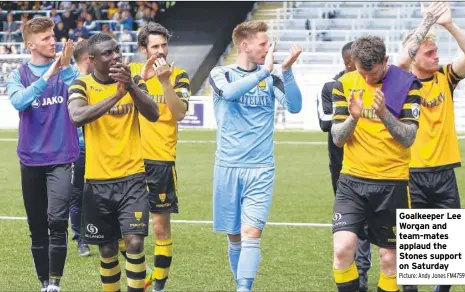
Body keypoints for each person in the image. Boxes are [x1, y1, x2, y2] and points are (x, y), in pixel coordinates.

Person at [208, 20, 303, 292]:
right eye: (263, 44)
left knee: (252, 234)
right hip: (227, 166)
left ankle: (244, 288)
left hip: (261, 168)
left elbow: (294, 106)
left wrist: (286, 71)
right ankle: (240, 283)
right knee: (235, 236)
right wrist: (265, 73)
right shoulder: (221, 73)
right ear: (245, 45)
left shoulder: (271, 78)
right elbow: (228, 94)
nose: (268, 47)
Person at [67, 33, 159, 292]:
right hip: (97, 182)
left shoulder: (134, 80)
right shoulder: (81, 85)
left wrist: (129, 87)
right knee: (107, 250)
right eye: (108, 53)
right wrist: (117, 96)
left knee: (135, 244)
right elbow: (76, 116)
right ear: (92, 60)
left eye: (117, 51)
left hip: (133, 178)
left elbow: (153, 113)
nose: (116, 56)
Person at [398, 2, 465, 292]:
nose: (436, 56)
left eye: (436, 52)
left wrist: (447, 25)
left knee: (449, 251)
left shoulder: (445, 77)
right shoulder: (403, 83)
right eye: (429, 53)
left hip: (445, 173)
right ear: (415, 57)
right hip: (412, 175)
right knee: (414, 252)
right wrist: (425, 26)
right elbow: (400, 62)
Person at [330, 35, 421, 292]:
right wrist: (354, 118)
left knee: (389, 259)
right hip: (352, 182)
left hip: (392, 184)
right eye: (362, 72)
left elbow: (408, 138)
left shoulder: (407, 84)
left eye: (373, 73)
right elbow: (338, 138)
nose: (368, 79)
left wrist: (383, 115)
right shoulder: (344, 84)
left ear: (386, 61)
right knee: (342, 249)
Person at [5, 17, 79, 292]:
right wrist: (49, 74)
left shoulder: (66, 72)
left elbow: (83, 94)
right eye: (46, 38)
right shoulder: (18, 75)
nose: (53, 42)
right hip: (31, 160)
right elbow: (19, 101)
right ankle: (44, 282)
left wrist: (66, 68)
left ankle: (55, 284)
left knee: (57, 220)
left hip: (62, 158)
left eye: (53, 36)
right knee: (36, 225)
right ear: (30, 44)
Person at [127, 21, 191, 292]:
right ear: (144, 49)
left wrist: (164, 82)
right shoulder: (130, 72)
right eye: (155, 46)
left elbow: (179, 113)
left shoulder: (179, 75)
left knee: (160, 228)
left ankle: (158, 288)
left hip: (161, 160)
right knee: (125, 232)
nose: (161, 51)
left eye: (164, 45)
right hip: (128, 161)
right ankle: (141, 278)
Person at [317, 41, 372, 292]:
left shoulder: (374, 83)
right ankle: (360, 274)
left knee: (381, 223)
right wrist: (351, 111)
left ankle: (383, 275)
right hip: (342, 166)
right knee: (354, 224)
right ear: (349, 62)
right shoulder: (331, 86)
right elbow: (326, 123)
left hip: (378, 164)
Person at [69, 39, 92, 257]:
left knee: (99, 192)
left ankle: (99, 233)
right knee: (77, 194)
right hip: (77, 148)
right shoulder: (70, 79)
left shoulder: (99, 79)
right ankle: (80, 239)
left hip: (99, 146)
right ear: (88, 58)